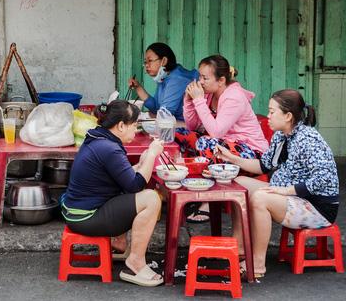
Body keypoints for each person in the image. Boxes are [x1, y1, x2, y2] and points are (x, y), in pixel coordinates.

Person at [214, 89, 339, 278]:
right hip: (290, 196)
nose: (268, 116)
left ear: (288, 116)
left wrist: (286, 190)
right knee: (238, 185)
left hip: (316, 207)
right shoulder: (281, 136)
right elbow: (264, 166)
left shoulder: (308, 139)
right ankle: (239, 247)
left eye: (272, 112)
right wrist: (232, 158)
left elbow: (324, 179)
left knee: (260, 199)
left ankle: (257, 264)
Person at [62, 100, 164, 287]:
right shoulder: (108, 148)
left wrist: (141, 165)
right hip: (85, 217)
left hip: (77, 212)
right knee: (151, 199)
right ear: (121, 126)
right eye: (134, 125)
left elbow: (122, 176)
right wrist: (151, 155)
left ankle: (121, 246)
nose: (136, 130)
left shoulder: (99, 139)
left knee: (140, 195)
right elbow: (135, 185)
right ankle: (135, 263)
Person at [176, 55, 268, 222]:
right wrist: (189, 101)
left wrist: (198, 100)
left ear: (221, 80)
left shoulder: (234, 97)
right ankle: (193, 188)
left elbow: (216, 132)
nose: (200, 82)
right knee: (180, 134)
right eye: (199, 77)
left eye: (205, 78)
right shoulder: (210, 94)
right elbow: (193, 126)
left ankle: (208, 201)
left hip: (252, 153)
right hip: (224, 148)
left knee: (205, 142)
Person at [128, 43, 198, 121]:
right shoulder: (164, 76)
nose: (147, 65)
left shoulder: (177, 79)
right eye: (145, 62)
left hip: (185, 127)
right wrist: (138, 87)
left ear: (164, 61)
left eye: (150, 60)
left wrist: (144, 116)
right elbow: (156, 107)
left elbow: (164, 115)